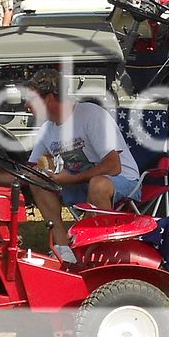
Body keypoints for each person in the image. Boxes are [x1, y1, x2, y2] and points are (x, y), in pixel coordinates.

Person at [23, 68, 142, 262]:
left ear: (50, 99)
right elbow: (28, 170)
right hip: (81, 183)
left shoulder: (91, 114)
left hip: (124, 181)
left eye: (31, 99)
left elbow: (114, 167)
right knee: (36, 179)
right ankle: (64, 250)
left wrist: (71, 178)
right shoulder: (47, 129)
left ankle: (99, 252)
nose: (26, 105)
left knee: (98, 184)